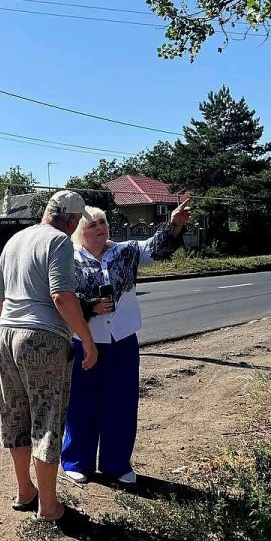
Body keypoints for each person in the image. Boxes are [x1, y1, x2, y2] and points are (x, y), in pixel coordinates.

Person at [60, 198, 192, 485]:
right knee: (82, 404)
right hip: (84, 341)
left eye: (103, 222)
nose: (99, 228)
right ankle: (76, 461)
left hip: (122, 340)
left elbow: (156, 249)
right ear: (80, 231)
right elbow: (59, 299)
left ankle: (116, 464)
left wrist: (174, 225)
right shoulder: (68, 259)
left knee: (121, 403)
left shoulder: (125, 252)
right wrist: (89, 307)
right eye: (92, 224)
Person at [0, 190, 98, 522]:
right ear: (73, 221)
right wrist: (87, 340)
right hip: (43, 339)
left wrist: (16, 325)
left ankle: (25, 492)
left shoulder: (17, 240)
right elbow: (62, 297)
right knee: (47, 418)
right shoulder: (59, 243)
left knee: (15, 415)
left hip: (6, 336)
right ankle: (49, 507)